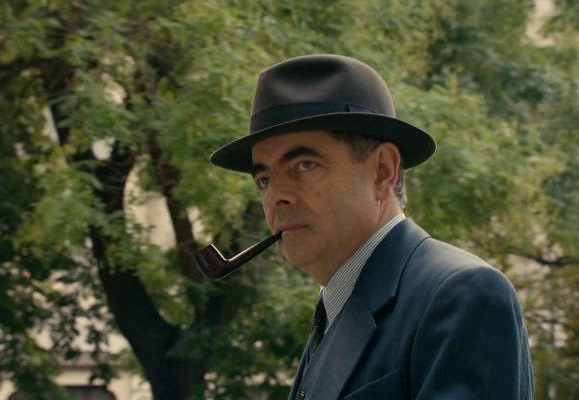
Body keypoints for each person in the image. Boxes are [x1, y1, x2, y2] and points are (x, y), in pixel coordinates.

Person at [208, 54, 534, 400]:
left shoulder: (462, 295)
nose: (276, 197)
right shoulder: (337, 308)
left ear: (382, 170)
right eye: (264, 180)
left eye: (305, 165)